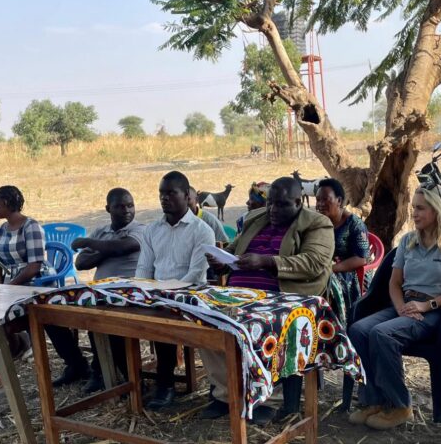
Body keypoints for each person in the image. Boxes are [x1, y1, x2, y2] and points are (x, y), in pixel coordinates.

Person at [204, 176, 335, 422]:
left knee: (258, 323)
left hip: (283, 299)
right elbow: (234, 251)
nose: (273, 210)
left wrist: (266, 261)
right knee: (204, 319)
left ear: (299, 202)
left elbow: (314, 262)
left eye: (282, 204)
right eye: (271, 203)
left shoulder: (317, 224)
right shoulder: (256, 218)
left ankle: (266, 398)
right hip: (238, 295)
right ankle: (226, 394)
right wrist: (222, 261)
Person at [348, 184, 441, 430]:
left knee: (382, 333)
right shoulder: (408, 241)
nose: (414, 213)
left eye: (421, 208)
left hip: (435, 311)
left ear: (437, 211)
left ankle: (400, 405)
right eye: (413, 207)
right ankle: (375, 399)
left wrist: (427, 305)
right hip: (404, 304)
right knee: (358, 329)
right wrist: (402, 307)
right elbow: (394, 283)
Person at [135, 171, 215, 410]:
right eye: (162, 193)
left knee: (164, 317)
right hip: (156, 294)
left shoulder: (202, 231)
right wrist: (143, 292)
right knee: (115, 320)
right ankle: (130, 380)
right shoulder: (151, 230)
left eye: (171, 193)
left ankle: (166, 384)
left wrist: (164, 295)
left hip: (189, 295)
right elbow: (144, 268)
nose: (164, 198)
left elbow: (194, 274)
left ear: (187, 194)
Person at [71, 188, 145, 393]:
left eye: (130, 205)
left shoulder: (140, 229)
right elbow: (81, 263)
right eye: (120, 206)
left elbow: (125, 247)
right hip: (100, 292)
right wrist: (107, 250)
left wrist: (90, 244)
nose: (127, 210)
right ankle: (100, 371)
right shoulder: (101, 232)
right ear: (108, 209)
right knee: (85, 318)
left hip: (130, 292)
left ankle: (130, 378)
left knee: (110, 322)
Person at [0, 185, 54, 359]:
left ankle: (20, 344)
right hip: (12, 283)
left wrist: (9, 288)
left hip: (34, 281)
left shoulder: (31, 227)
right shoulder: (3, 229)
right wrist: (0, 286)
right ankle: (17, 346)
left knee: (6, 316)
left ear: (4, 203)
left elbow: (34, 266)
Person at [315, 178, 370, 323]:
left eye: (325, 200)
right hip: (326, 268)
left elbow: (361, 258)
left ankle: (334, 326)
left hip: (352, 274)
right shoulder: (319, 222)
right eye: (318, 200)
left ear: (339, 201)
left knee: (325, 281)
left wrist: (331, 269)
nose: (320, 204)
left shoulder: (354, 224)